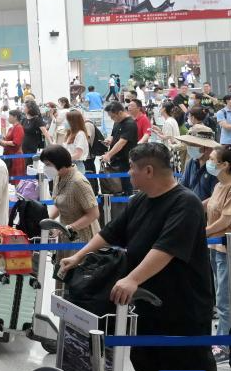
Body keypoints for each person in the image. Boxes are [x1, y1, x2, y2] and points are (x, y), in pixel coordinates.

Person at [59, 144, 216, 371]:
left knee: (184, 362)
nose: (129, 172)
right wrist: (79, 256)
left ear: (149, 171)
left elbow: (166, 249)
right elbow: (109, 232)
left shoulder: (185, 203)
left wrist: (132, 278)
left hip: (182, 306)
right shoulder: (140, 200)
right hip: (145, 303)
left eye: (132, 168)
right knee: (145, 359)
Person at [41, 145, 100, 246]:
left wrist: (69, 228)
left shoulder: (78, 182)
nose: (46, 168)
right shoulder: (58, 177)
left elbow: (94, 214)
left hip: (83, 237)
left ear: (60, 163)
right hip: (65, 233)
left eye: (48, 164)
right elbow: (59, 202)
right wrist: (49, 220)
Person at [205, 147, 231, 363]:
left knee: (225, 299)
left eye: (213, 159)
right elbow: (208, 205)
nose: (209, 162)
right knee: (219, 296)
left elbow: (224, 221)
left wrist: (199, 233)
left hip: (226, 250)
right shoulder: (219, 185)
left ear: (225, 165)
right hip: (214, 248)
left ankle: (224, 344)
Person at [101, 102, 138, 195]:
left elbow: (122, 142)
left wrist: (108, 154)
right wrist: (109, 140)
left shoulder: (130, 124)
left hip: (126, 161)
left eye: (113, 116)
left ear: (120, 112)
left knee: (126, 186)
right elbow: (113, 135)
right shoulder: (117, 122)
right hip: (116, 161)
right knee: (117, 188)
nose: (112, 119)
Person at [176, 125, 221, 201]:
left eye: (193, 144)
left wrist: (197, 207)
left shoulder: (215, 168)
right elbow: (183, 186)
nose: (189, 147)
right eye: (189, 144)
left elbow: (215, 198)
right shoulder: (191, 162)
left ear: (206, 147)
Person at [1, 109, 26, 177]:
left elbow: (15, 143)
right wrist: (0, 142)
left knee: (17, 181)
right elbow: (7, 143)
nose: (8, 118)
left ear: (15, 117)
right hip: (10, 156)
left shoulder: (18, 127)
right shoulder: (11, 128)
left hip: (16, 157)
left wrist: (4, 142)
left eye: (10, 116)